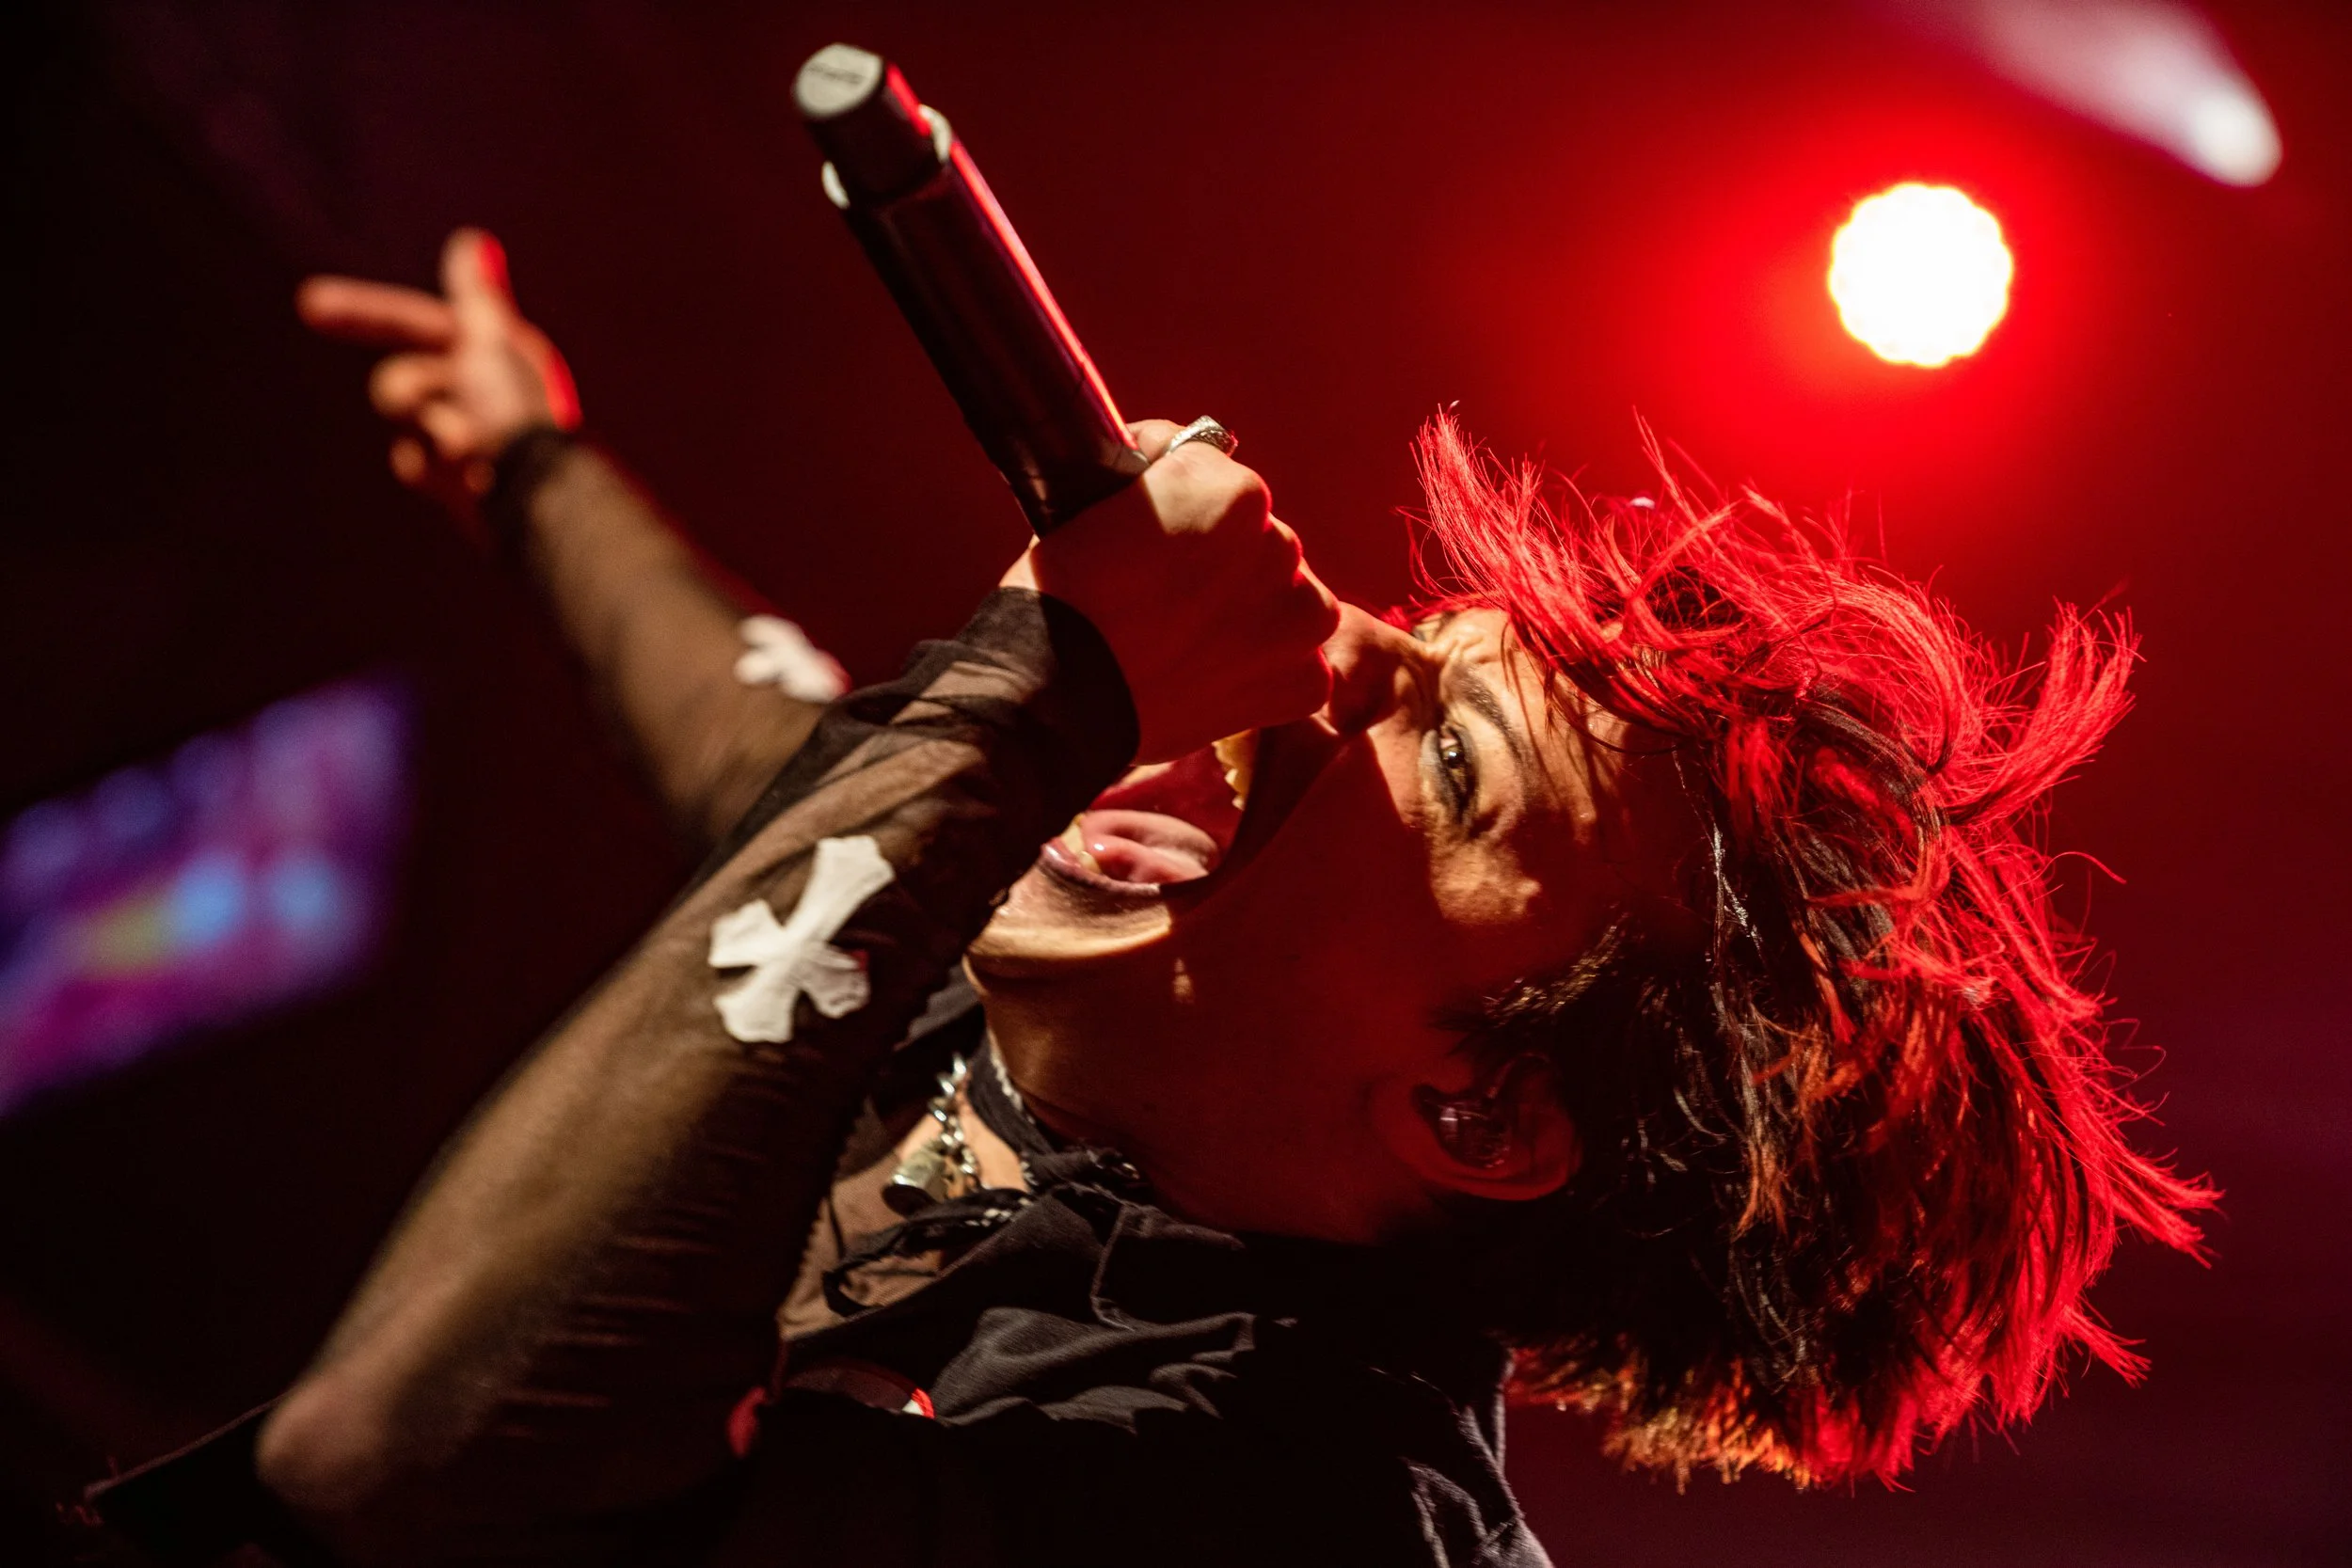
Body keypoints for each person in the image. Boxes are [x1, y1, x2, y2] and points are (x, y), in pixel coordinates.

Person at [106, 228, 2206, 1567]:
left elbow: (420, 1466)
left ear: (1481, 1108)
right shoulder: (1100, 1050)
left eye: (1447, 763)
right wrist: (531, 468)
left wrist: (1029, 689)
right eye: (1413, 641)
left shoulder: (1291, 1517)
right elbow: (775, 757)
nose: (1329, 653)